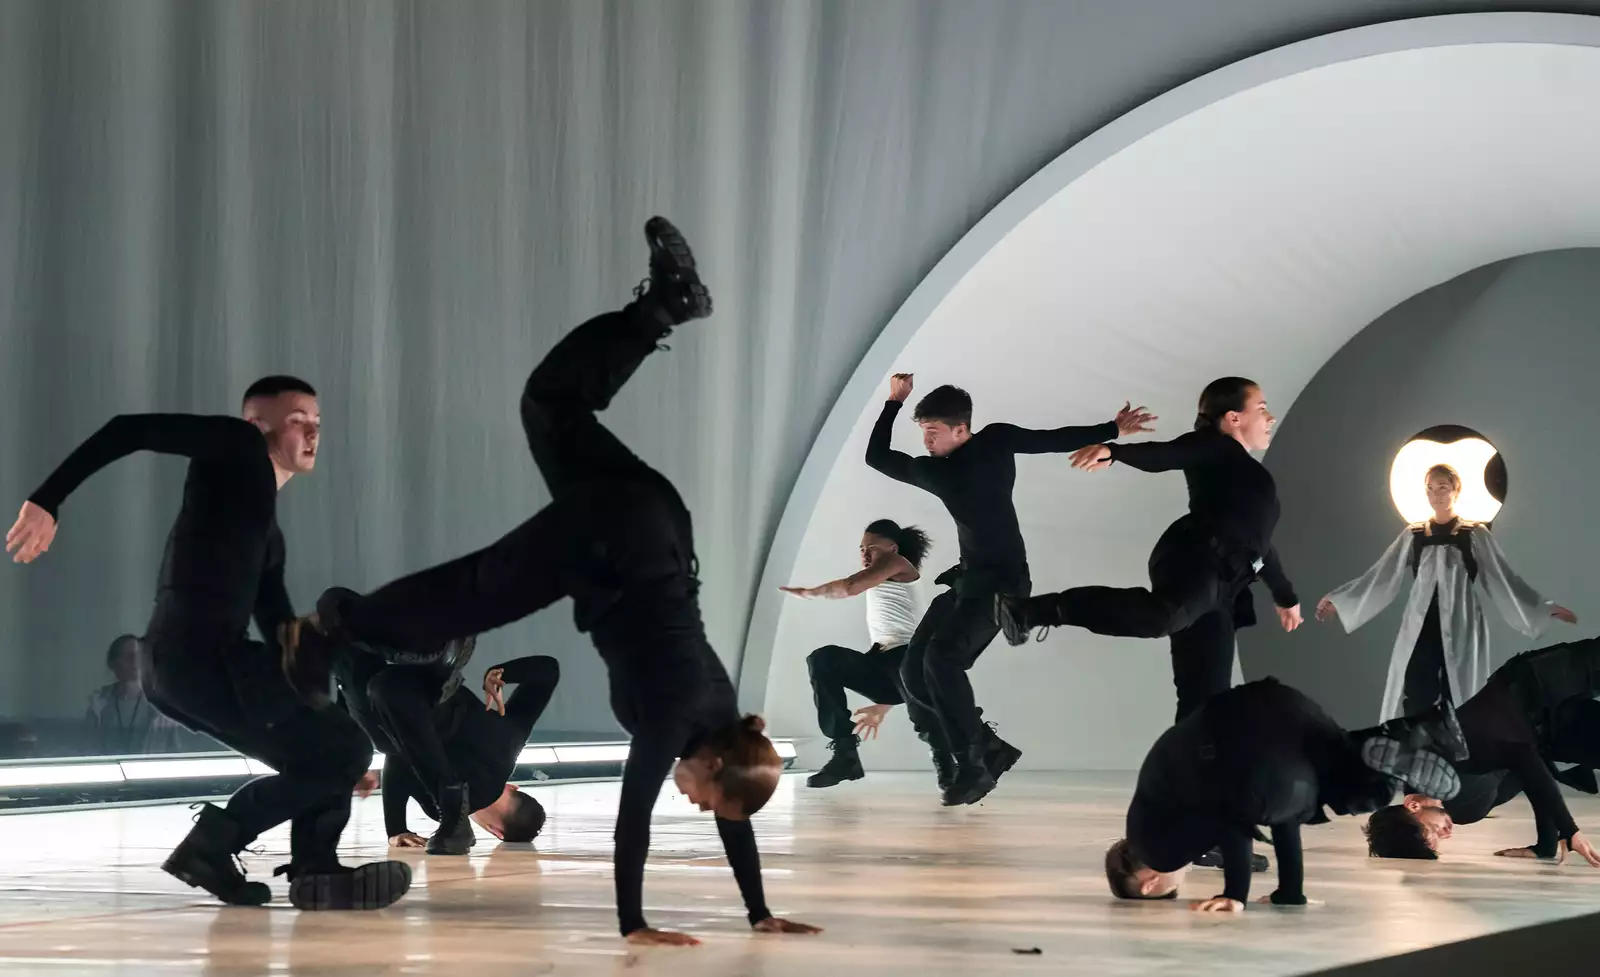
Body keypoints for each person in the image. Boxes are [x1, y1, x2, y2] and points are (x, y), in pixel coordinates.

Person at [280, 218, 819, 946]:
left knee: (550, 404)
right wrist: (634, 924)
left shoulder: (722, 720)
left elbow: (735, 817)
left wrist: (760, 911)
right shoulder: (674, 718)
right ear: (715, 763)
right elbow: (635, 822)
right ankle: (333, 624)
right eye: (707, 798)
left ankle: (663, 307)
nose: (696, 805)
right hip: (612, 545)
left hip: (655, 517)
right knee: (465, 595)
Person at [6, 377, 411, 911]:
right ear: (257, 424)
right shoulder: (238, 446)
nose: (313, 432)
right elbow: (129, 430)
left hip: (178, 669)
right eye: (297, 420)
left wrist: (326, 727)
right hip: (196, 658)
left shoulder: (267, 533)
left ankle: (307, 873)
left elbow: (280, 631)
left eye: (317, 422)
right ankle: (217, 847)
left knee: (327, 749)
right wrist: (46, 500)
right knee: (344, 744)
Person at [865, 374, 1155, 805]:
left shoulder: (994, 442)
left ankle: (975, 766)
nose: (926, 442)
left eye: (932, 432)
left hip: (1004, 584)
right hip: (968, 580)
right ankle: (987, 749)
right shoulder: (936, 469)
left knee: (942, 661)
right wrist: (893, 402)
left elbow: (1052, 439)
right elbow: (876, 457)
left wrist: (1111, 431)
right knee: (912, 671)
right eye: (922, 432)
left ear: (961, 429)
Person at [996, 378, 1304, 721]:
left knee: (1206, 699)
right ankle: (1031, 611)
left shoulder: (1247, 472)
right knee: (1165, 615)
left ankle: (1191, 770)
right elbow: (1169, 454)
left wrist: (1285, 596)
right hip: (1196, 560)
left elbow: (1260, 546)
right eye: (1261, 409)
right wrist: (1116, 453)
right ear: (1233, 418)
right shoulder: (1214, 446)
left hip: (1225, 588)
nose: (1270, 418)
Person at [1103, 677, 1467, 911]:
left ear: (1151, 885)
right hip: (1274, 703)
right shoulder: (1152, 805)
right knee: (1335, 765)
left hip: (1239, 748)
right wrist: (1289, 893)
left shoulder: (1157, 852)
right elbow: (1281, 820)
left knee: (1316, 801)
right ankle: (1413, 731)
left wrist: (1234, 893)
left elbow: (1230, 817)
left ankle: (1385, 770)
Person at [1316, 463, 1576, 722]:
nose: (1436, 495)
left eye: (1443, 488)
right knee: (1418, 691)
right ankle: (1419, 747)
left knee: (1461, 694)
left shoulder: (1474, 534)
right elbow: (1381, 575)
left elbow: (1503, 579)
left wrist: (1544, 608)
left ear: (1456, 490)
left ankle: (1461, 752)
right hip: (1421, 626)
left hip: (1461, 622)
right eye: (1430, 489)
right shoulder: (1414, 535)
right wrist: (1339, 602)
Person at [1362, 637, 1600, 867]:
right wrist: (1547, 844)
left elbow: (1524, 758)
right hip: (1553, 730)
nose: (1445, 834)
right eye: (1435, 845)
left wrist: (1569, 829)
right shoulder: (1466, 810)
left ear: (1413, 806)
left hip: (1540, 682)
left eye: (1428, 833)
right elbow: (1528, 772)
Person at [330, 633, 558, 855]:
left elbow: (548, 671)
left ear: (513, 787)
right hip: (385, 717)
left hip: (433, 698)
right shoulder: (443, 809)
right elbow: (398, 763)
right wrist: (396, 828)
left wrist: (501, 674)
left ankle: (439, 659)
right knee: (347, 641)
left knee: (351, 625)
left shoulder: (514, 739)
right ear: (496, 832)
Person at [780, 519, 959, 790]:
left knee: (920, 703)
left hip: (912, 660)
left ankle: (948, 766)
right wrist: (884, 703)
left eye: (872, 548)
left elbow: (850, 586)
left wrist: (809, 593)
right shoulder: (880, 576)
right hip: (883, 663)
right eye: (861, 548)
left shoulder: (899, 564)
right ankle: (845, 754)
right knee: (823, 659)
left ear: (893, 548)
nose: (864, 554)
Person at [85, 634, 157, 754]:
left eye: (137, 655)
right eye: (128, 656)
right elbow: (88, 747)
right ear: (113, 663)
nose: (134, 661)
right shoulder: (98, 704)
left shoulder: (157, 704)